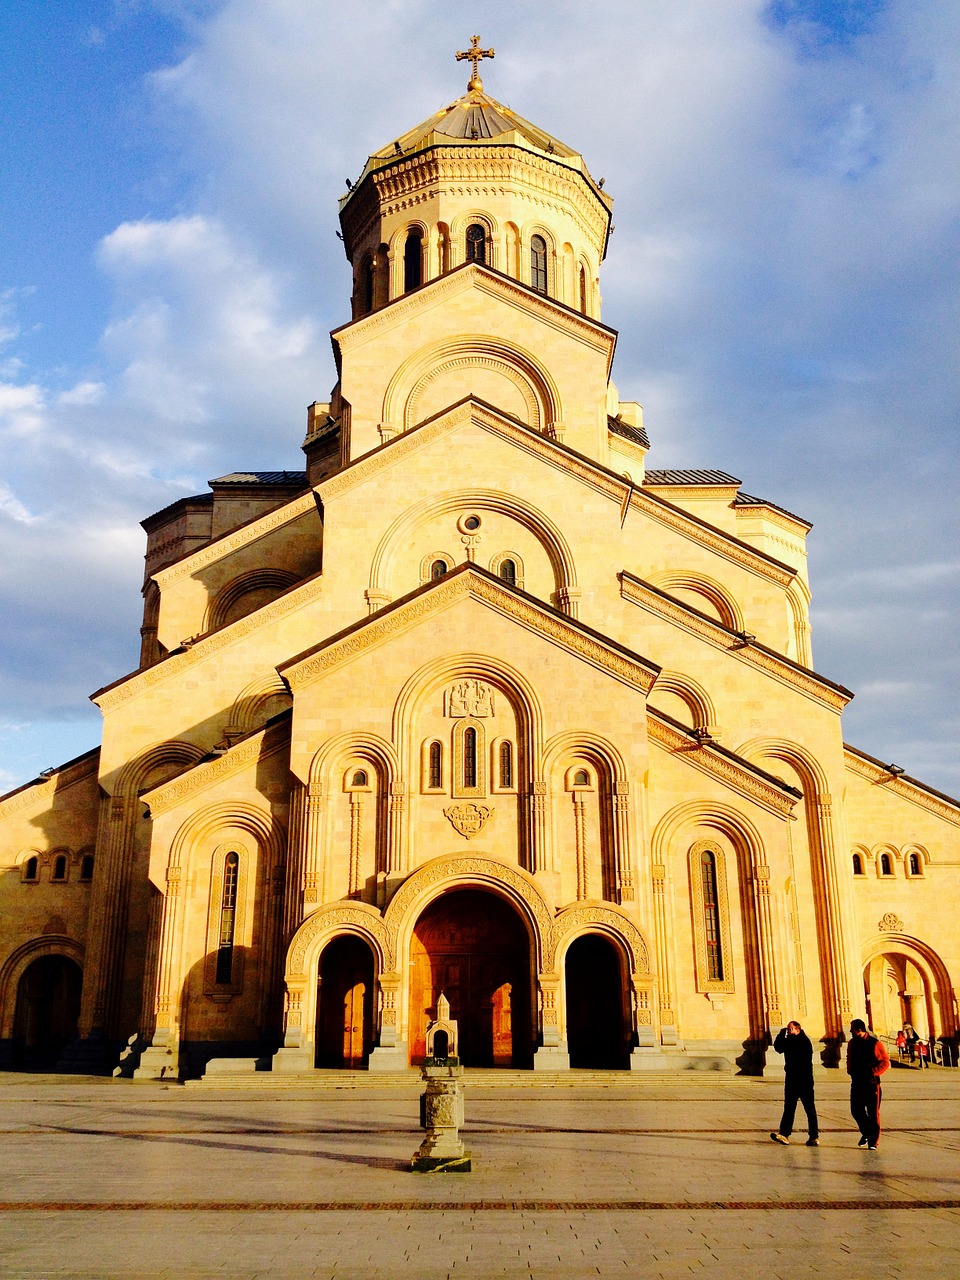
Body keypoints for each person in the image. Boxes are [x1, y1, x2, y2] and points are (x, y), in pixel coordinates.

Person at [769, 1020, 819, 1146]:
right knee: (789, 1107)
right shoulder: (794, 1040)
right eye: (788, 1029)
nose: (789, 1031)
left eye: (790, 1029)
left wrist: (781, 1035)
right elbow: (779, 1048)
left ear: (798, 1029)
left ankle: (813, 1136)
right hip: (793, 1079)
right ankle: (785, 1134)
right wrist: (782, 1035)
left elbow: (779, 1047)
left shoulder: (802, 1041)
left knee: (809, 1108)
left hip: (803, 1080)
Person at [846, 1018, 890, 1150]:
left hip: (871, 1084)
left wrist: (873, 1072)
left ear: (859, 1030)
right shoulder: (852, 1043)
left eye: (852, 1029)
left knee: (873, 1113)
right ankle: (866, 1132)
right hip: (857, 1082)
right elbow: (849, 1057)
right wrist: (850, 1070)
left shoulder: (874, 1043)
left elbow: (885, 1062)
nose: (850, 1031)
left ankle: (873, 1141)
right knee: (856, 1110)